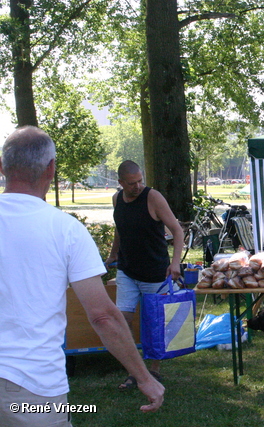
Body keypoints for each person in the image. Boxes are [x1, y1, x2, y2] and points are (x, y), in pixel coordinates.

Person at [0, 127, 164, 426]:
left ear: (2, 167)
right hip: (31, 387)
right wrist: (145, 378)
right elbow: (103, 316)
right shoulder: (65, 230)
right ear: (51, 169)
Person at [105, 160, 184, 390]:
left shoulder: (153, 198)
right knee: (123, 321)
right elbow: (120, 228)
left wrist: (175, 263)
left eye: (140, 180)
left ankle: (154, 371)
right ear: (121, 183)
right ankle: (134, 372)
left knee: (155, 323)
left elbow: (177, 230)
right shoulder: (117, 199)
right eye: (132, 183)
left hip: (155, 272)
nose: (138, 186)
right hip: (127, 271)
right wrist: (113, 254)